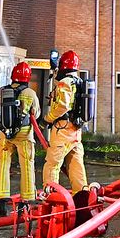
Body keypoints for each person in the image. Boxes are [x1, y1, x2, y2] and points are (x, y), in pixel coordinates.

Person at [0, 61, 41, 217]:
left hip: (5, 133)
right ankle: (26, 201)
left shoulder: (2, 90)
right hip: (24, 134)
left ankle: (1, 201)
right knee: (26, 165)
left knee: (3, 164)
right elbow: (36, 113)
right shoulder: (30, 93)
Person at [41, 50, 87, 193]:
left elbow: (63, 106)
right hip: (76, 130)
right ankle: (82, 194)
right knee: (76, 164)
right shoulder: (79, 82)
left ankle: (51, 195)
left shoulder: (64, 83)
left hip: (62, 129)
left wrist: (48, 118)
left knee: (53, 164)